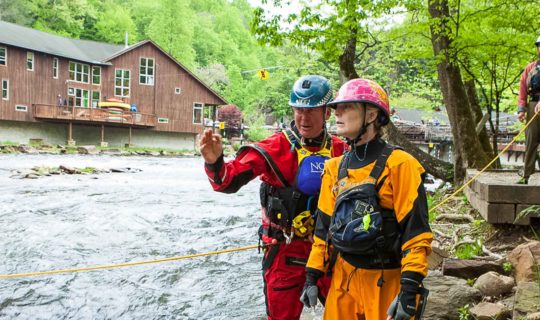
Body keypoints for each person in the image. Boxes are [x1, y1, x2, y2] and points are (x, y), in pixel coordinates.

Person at [199, 75, 347, 320]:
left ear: (327, 113)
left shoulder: (343, 150)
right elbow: (227, 181)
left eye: (311, 110)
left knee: (346, 314)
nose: (303, 118)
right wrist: (214, 161)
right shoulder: (274, 148)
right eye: (298, 110)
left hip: (329, 252)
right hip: (285, 252)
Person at [300, 78, 432, 320]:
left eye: (347, 107)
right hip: (343, 279)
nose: (336, 112)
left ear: (371, 115)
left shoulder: (401, 165)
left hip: (387, 279)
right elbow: (323, 231)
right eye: (336, 107)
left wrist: (410, 288)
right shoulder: (334, 168)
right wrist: (312, 276)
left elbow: (416, 234)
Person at [516, 35, 540, 184]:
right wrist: (521, 109)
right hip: (533, 106)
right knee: (531, 140)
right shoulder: (530, 68)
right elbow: (523, 89)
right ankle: (526, 175)